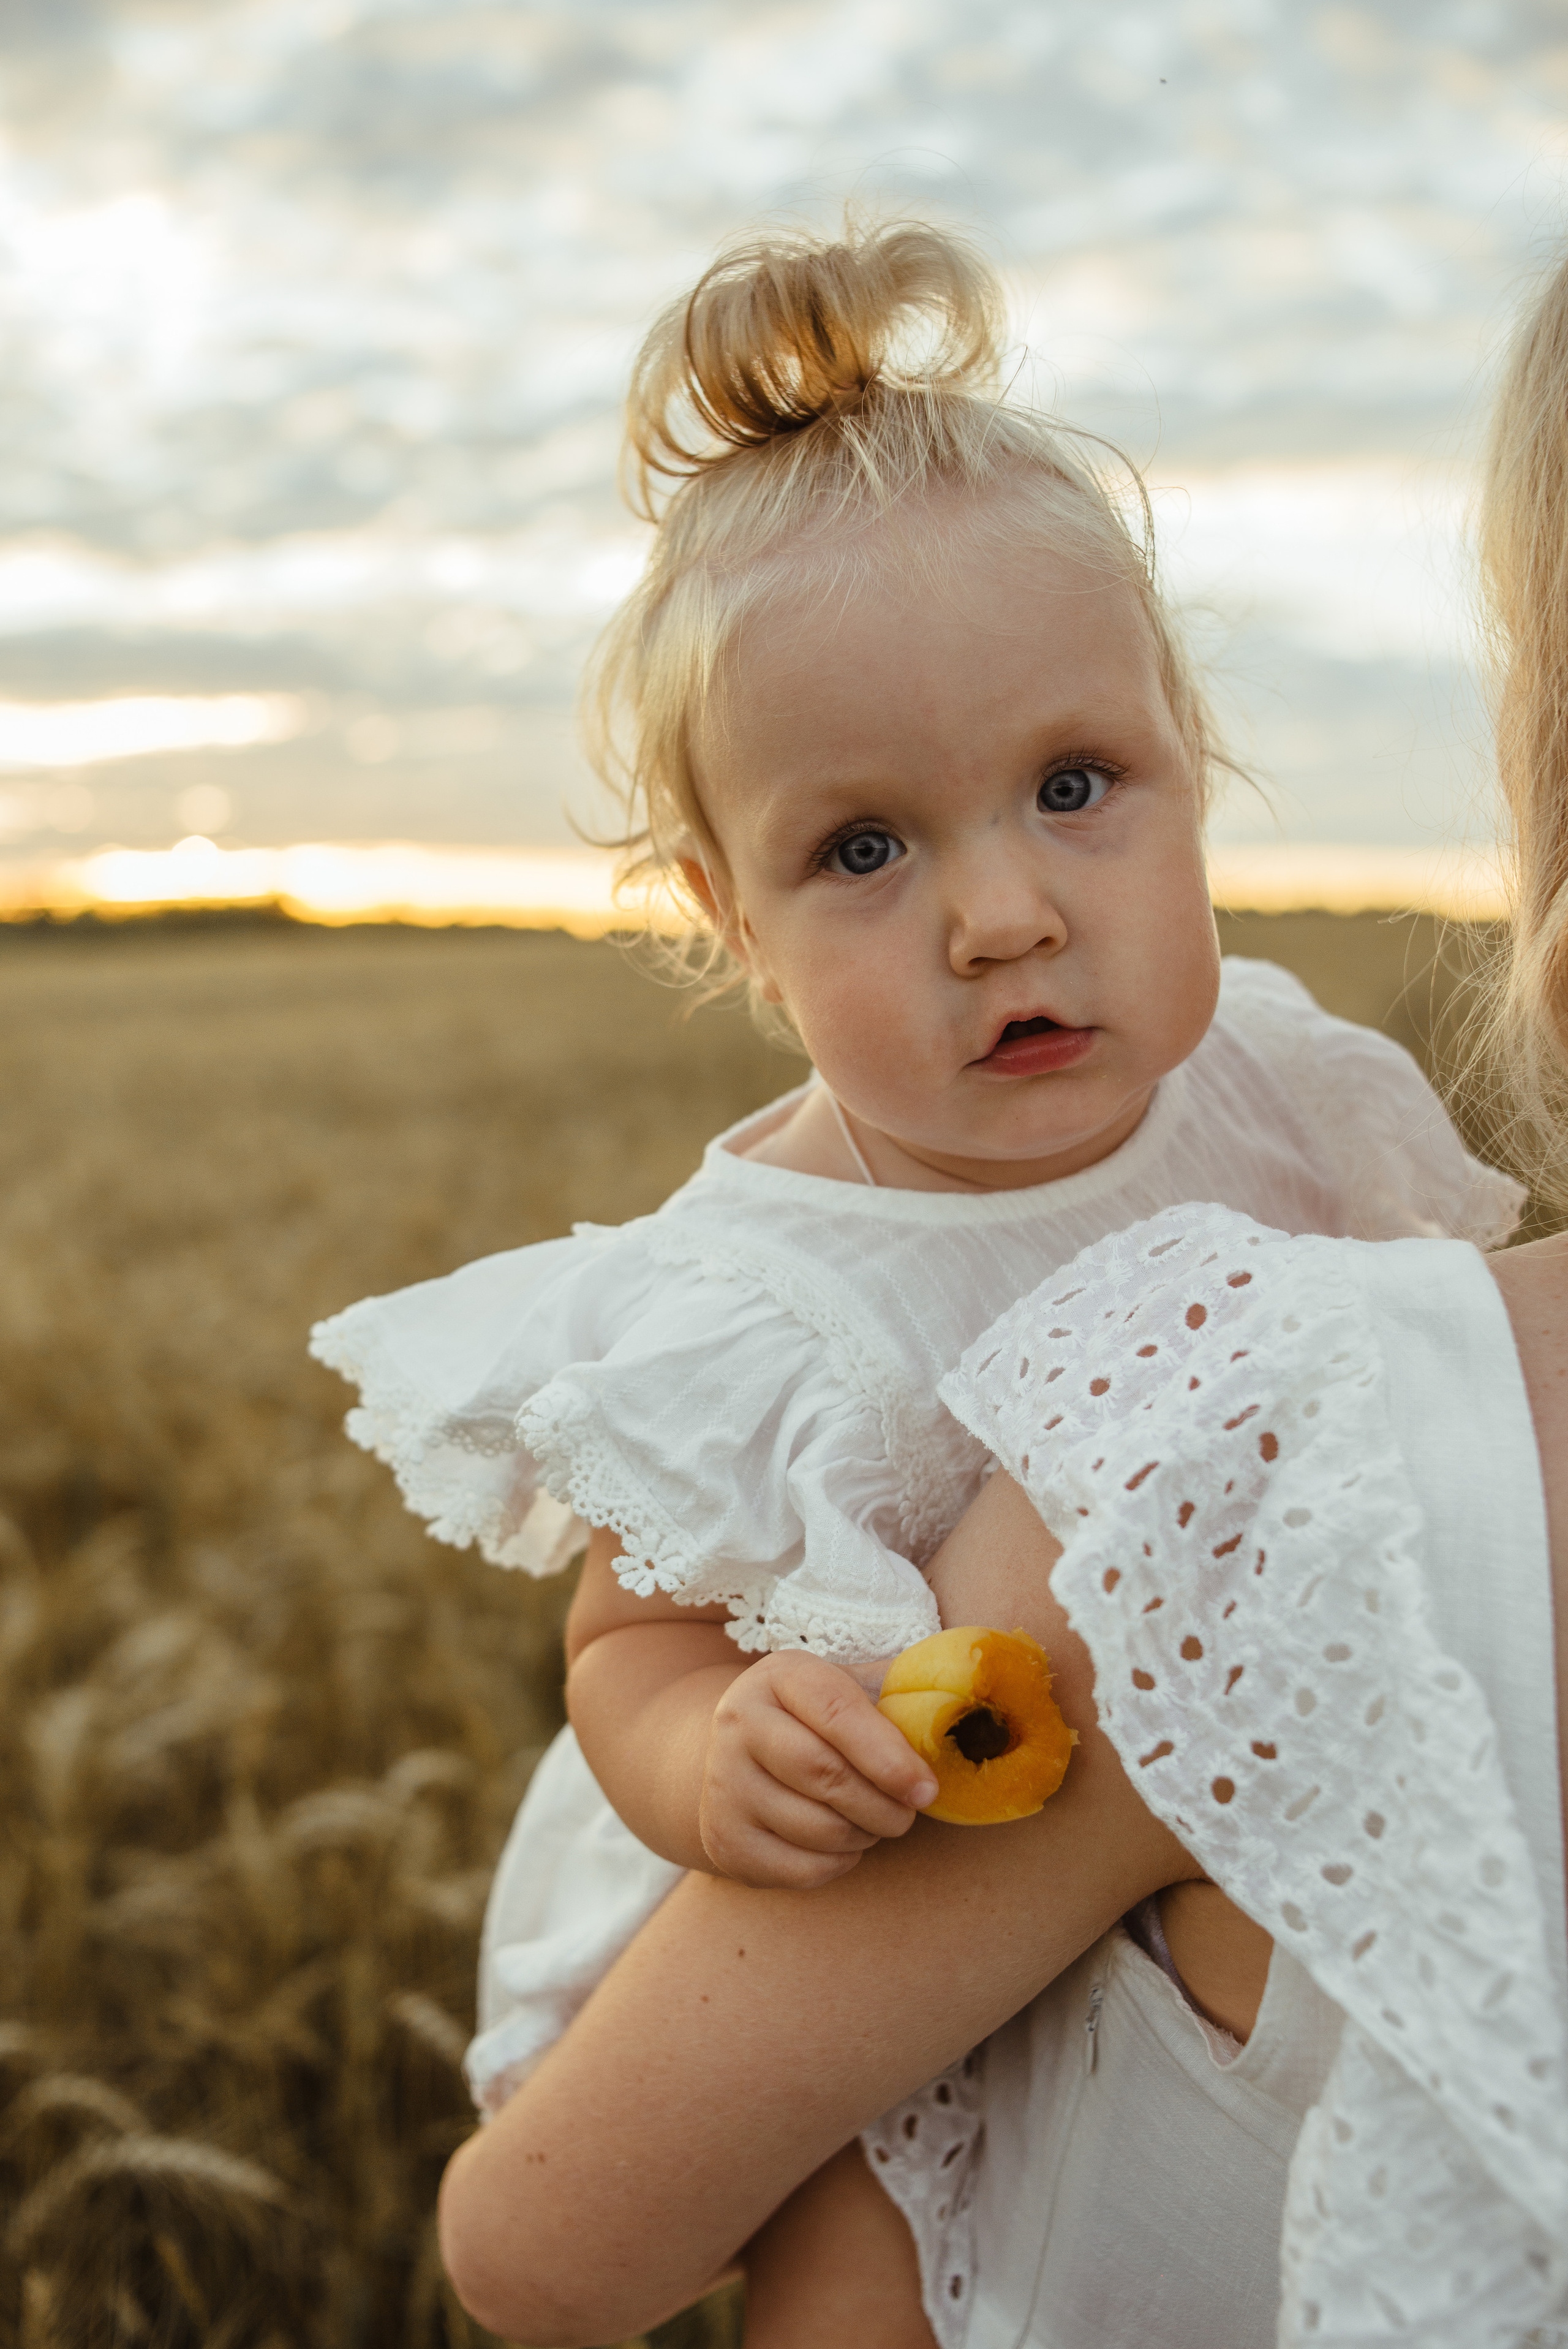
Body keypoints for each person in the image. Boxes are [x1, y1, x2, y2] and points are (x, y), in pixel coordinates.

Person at [314, 219, 1521, 2342]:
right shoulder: (760, 1296)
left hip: (1198, 1880)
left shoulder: (1278, 1089)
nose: (1001, 914)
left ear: (1191, 762)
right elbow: (629, 1640)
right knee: (874, 2258)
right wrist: (716, 1754)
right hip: (857, 1898)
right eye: (863, 849)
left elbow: (1444, 1432)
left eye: (1075, 788)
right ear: (731, 916)